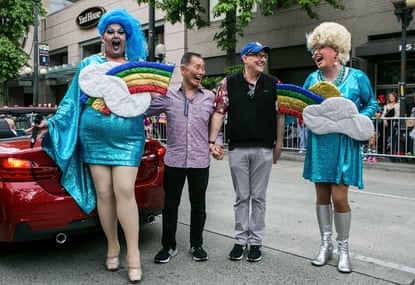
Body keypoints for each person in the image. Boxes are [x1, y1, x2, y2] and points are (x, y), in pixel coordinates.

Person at [33, 9, 149, 283]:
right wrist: (50, 123)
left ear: (127, 36)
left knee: (124, 191)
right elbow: (73, 101)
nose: (116, 36)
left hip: (128, 138)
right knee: (104, 193)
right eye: (110, 31)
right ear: (103, 37)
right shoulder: (88, 66)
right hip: (94, 138)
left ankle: (133, 254)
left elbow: (145, 102)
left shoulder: (137, 66)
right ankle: (112, 245)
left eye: (121, 32)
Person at [302, 22, 377, 273]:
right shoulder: (312, 78)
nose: (315, 53)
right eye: (313, 48)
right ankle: (326, 245)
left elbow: (371, 104)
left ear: (336, 49)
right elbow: (304, 108)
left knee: (340, 197)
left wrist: (356, 120)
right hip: (320, 143)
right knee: (322, 196)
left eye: (320, 47)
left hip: (345, 144)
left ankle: (343, 248)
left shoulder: (357, 78)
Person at [208, 42, 284, 262]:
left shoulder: (275, 83)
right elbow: (219, 111)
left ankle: (256, 242)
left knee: (258, 198)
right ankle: (240, 240)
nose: (262, 59)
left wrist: (278, 144)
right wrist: (213, 141)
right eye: (256, 55)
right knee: (242, 197)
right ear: (245, 58)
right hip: (238, 149)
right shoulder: (228, 83)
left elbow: (280, 115)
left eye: (264, 56)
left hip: (264, 148)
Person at [145, 52, 223, 264]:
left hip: (200, 161)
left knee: (199, 206)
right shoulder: (168, 96)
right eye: (197, 67)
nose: (201, 72)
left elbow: (217, 124)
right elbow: (145, 110)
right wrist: (146, 90)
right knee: (170, 205)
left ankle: (197, 245)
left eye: (203, 68)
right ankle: (168, 246)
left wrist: (216, 144)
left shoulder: (209, 97)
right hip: (175, 160)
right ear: (183, 69)